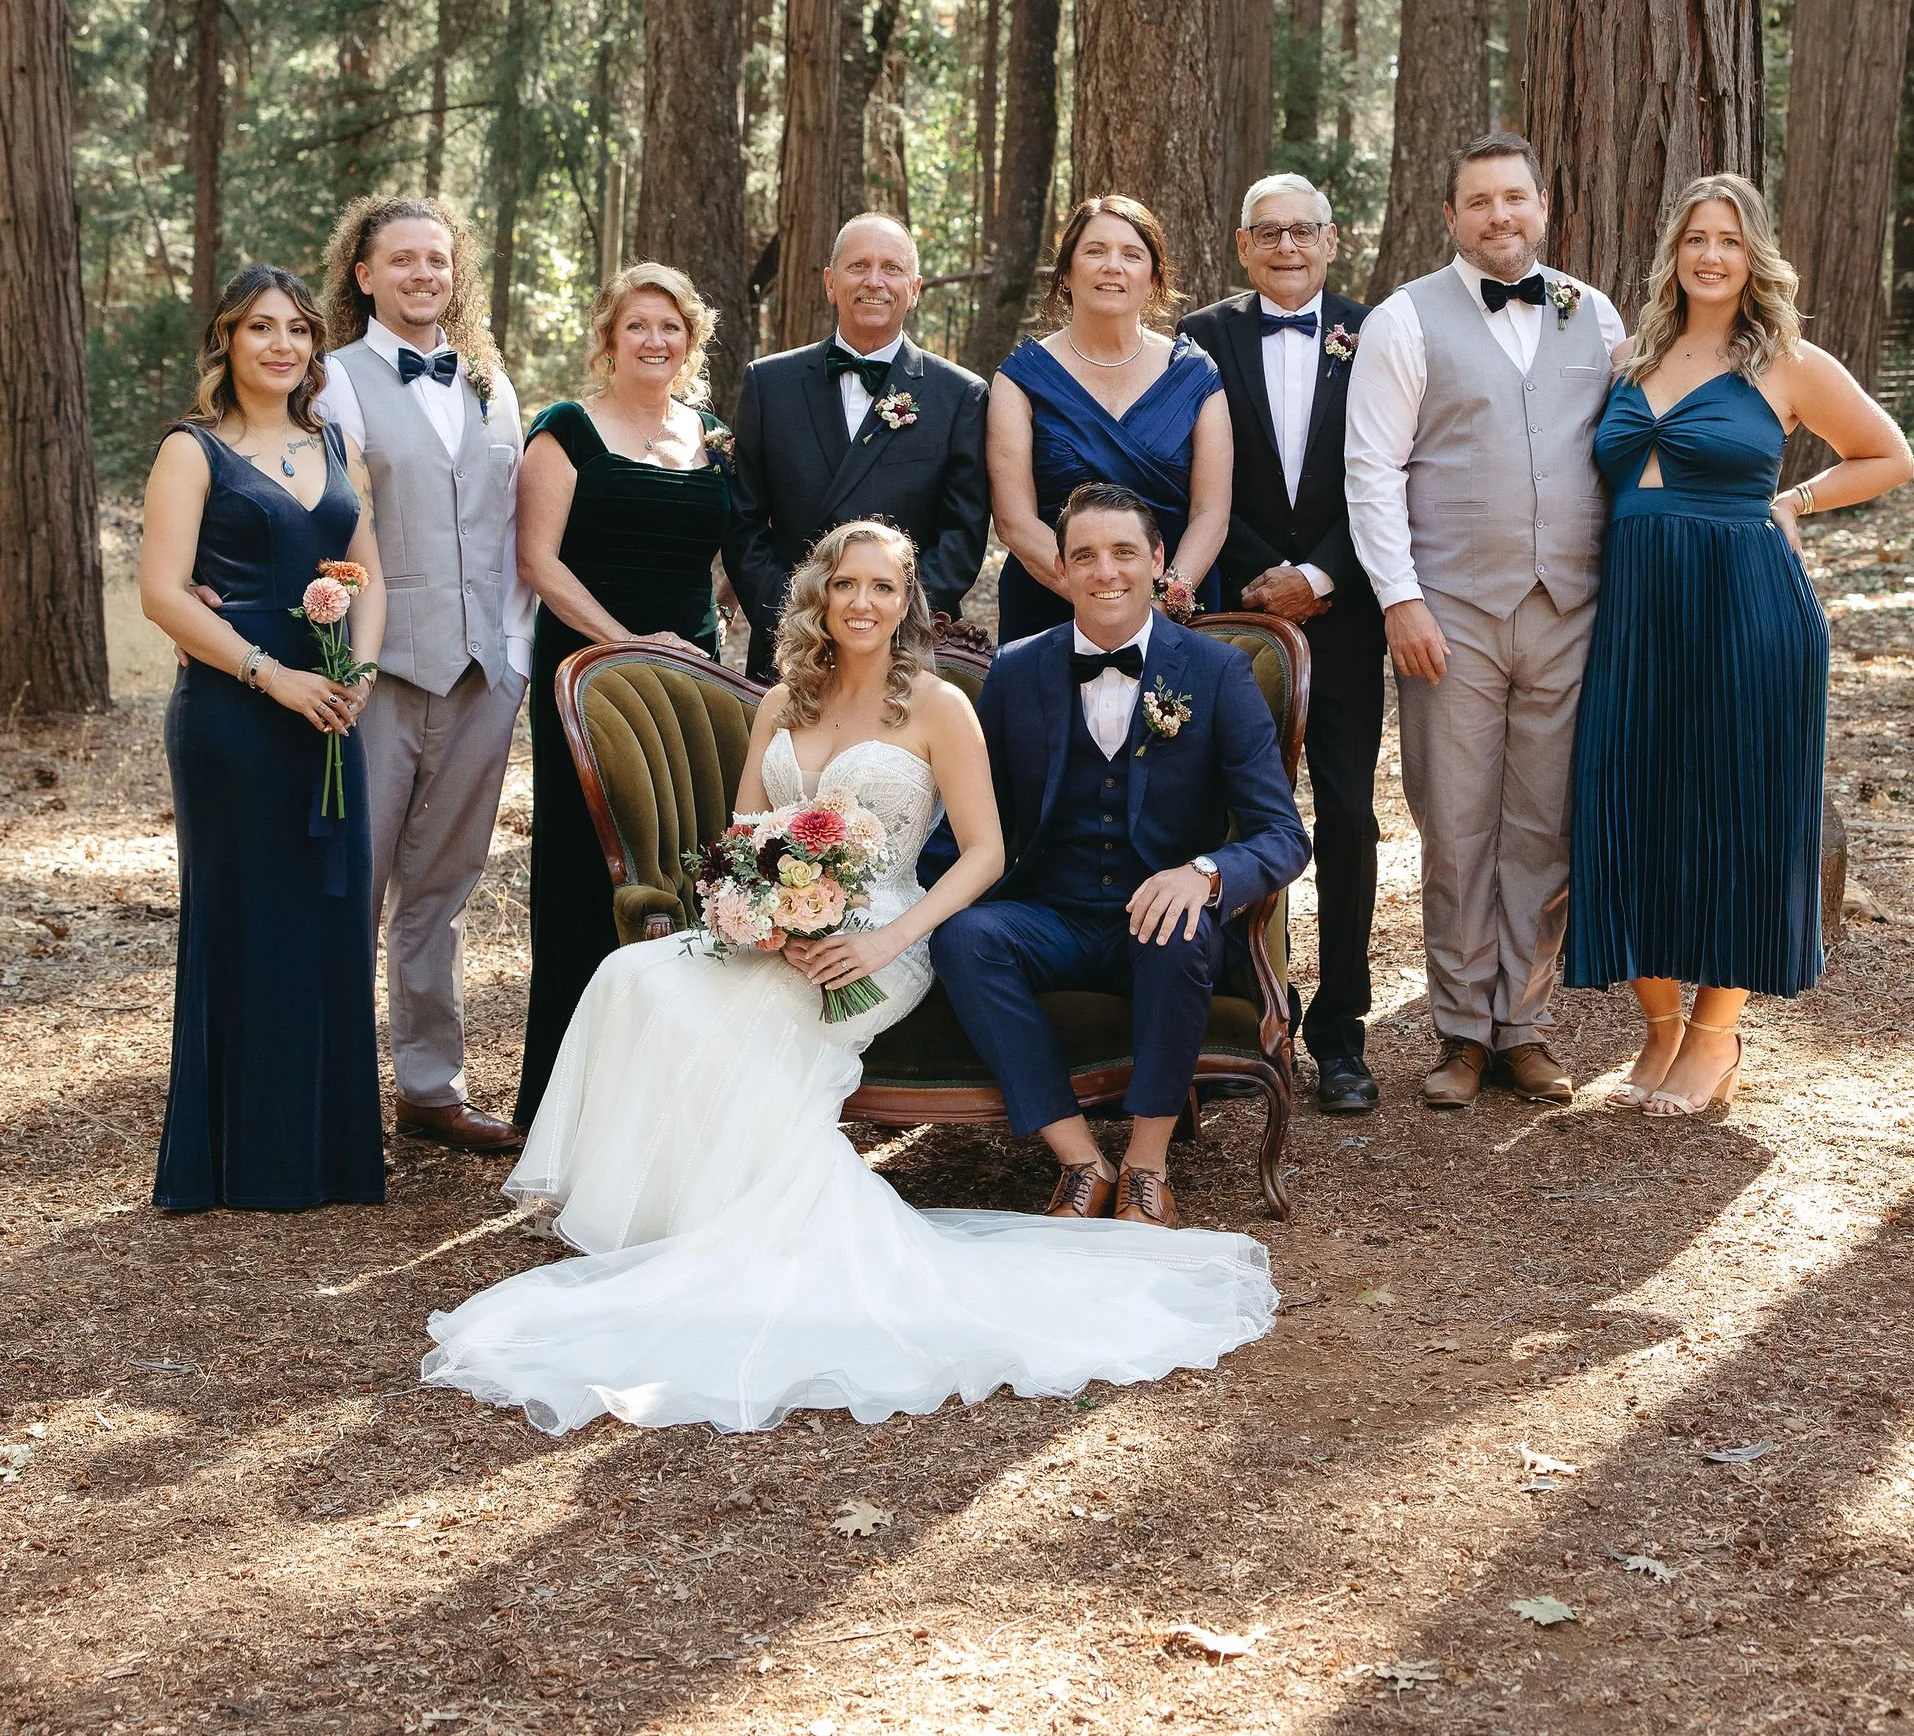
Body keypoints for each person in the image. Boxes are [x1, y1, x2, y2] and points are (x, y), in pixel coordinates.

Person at [420, 522, 1275, 1433]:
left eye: (883, 587)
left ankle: (769, 1236)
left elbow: (982, 849)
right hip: (780, 934)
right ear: (821, 595)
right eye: (847, 585)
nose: (863, 602)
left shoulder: (943, 705)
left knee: (748, 1024)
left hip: (882, 936)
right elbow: (744, 838)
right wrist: (763, 916)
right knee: (635, 979)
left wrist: (876, 938)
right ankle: (687, 1234)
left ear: (908, 604)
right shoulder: (784, 699)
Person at [1567, 176, 1913, 1115]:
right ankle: (1659, 1028)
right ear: (1673, 255)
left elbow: (1890, 454)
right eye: (1694, 239)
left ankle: (1716, 1036)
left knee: (1739, 811)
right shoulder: (1635, 358)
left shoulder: (1790, 363)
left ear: (1753, 255)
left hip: (1746, 610)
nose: (1710, 255)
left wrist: (1791, 501)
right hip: (1637, 616)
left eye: (1728, 239)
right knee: (1627, 801)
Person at [929, 483, 1311, 1226]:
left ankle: (1145, 1166)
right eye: (1086, 556)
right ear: (1061, 571)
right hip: (1051, 918)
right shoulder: (1015, 672)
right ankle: (1080, 1161)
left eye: (1124, 553)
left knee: (1176, 928)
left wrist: (1204, 875)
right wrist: (892, 907)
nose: (1106, 572)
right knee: (965, 938)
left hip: (1161, 923)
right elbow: (973, 820)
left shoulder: (1216, 672)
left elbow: (1283, 834)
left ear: (1159, 560)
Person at [1344, 132, 1625, 1111]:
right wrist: (1400, 598)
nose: (1498, 216)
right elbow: (1371, 470)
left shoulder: (1592, 313)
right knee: (1456, 823)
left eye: (1514, 197)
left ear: (1541, 206)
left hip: (1568, 608)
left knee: (1541, 827)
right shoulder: (1401, 322)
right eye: (1478, 201)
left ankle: (1523, 1023)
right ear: (1450, 217)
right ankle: (1459, 1028)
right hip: (1450, 612)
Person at [139, 268, 388, 1212]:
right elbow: (163, 594)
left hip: (331, 711)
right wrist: (272, 675)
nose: (281, 345)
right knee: (245, 918)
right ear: (227, 341)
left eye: (296, 330)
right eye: (259, 329)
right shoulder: (192, 451)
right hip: (236, 713)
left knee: (328, 918)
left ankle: (322, 1154)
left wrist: (357, 674)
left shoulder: (333, 444)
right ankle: (237, 1159)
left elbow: (371, 574)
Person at [316, 197, 529, 1156]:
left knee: (442, 889)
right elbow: (319, 521)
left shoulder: (492, 381)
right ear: (364, 275)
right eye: (401, 260)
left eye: (436, 261)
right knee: (349, 886)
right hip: (379, 676)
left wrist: (516, 656)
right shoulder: (335, 381)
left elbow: (515, 526)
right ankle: (327, 1092)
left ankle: (430, 1087)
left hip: (484, 674)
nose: (422, 276)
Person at [512, 261, 736, 1126]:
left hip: (695, 675)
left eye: (671, 327)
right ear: (609, 336)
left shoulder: (713, 433)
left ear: (690, 340)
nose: (655, 341)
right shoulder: (566, 430)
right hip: (586, 673)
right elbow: (538, 562)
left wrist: (706, 631)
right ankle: (572, 1105)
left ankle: (679, 1096)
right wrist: (628, 642)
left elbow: (719, 546)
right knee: (593, 866)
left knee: (693, 858)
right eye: (638, 325)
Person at [1182, 173, 1386, 1117]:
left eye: (1304, 230)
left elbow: (1396, 472)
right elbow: (1195, 478)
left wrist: (1323, 576)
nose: (1288, 247)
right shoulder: (1201, 339)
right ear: (1241, 245)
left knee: (1347, 818)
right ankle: (1240, 1012)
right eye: (1269, 232)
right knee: (1227, 815)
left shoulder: (1376, 332)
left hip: (1345, 616)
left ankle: (1340, 1031)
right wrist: (1265, 577)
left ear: (1333, 240)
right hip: (1232, 612)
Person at [726, 214, 990, 682]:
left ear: (915, 288)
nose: (874, 281)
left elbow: (961, 539)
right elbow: (743, 525)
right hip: (792, 647)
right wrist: (795, 618)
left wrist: (890, 621)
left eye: (891, 268)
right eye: (858, 266)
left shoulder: (960, 396)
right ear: (830, 283)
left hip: (901, 652)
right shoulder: (769, 383)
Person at [987, 196, 1232, 644]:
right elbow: (1013, 520)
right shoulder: (1019, 378)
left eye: (1132, 254)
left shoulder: (1197, 374)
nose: (1112, 266)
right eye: (1095, 251)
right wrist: (1098, 599)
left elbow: (1211, 513)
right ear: (1065, 273)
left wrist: (1162, 601)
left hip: (1174, 610)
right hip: (1050, 605)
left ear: (1154, 279)